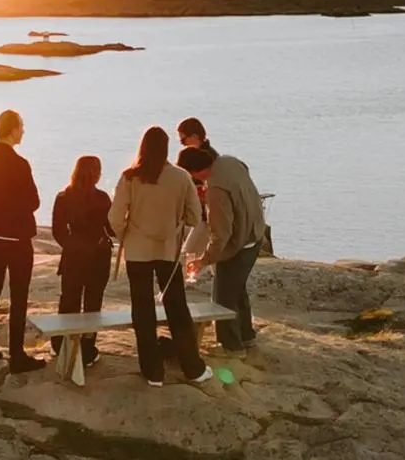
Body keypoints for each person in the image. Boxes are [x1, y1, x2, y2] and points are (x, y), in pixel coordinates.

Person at [109, 127, 214, 387]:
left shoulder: (130, 177)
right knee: (177, 307)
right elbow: (194, 215)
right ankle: (193, 367)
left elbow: (113, 217)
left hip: (137, 251)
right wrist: (175, 225)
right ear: (167, 148)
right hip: (168, 250)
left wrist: (128, 233)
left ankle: (152, 372)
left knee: (142, 309)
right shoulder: (180, 177)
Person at [0, 109, 45, 373]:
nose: (23, 131)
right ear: (13, 129)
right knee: (18, 296)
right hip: (17, 240)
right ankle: (16, 355)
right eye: (21, 127)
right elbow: (34, 201)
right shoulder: (20, 164)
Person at [178, 145, 266, 355]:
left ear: (193, 171)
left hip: (238, 245)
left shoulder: (215, 189)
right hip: (255, 234)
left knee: (223, 298)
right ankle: (247, 336)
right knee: (238, 289)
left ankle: (231, 346)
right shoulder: (230, 161)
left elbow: (221, 234)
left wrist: (203, 259)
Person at [50, 155, 114, 367]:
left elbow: (58, 231)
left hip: (74, 254)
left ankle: (61, 345)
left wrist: (72, 245)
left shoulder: (63, 197)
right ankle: (87, 349)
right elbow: (111, 230)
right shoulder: (103, 198)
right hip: (98, 254)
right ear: (96, 174)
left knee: (69, 299)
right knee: (93, 303)